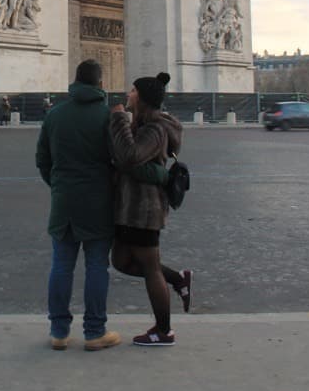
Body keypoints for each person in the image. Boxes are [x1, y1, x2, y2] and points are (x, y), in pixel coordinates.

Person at [36, 59, 169, 352]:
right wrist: (160, 173)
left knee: (61, 266)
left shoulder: (54, 115)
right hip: (98, 204)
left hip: (63, 203)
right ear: (100, 85)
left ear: (75, 81)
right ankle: (95, 332)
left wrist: (59, 186)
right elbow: (125, 162)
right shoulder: (108, 117)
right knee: (97, 266)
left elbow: (42, 161)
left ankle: (58, 332)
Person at [109, 71, 192, 347]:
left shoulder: (155, 129)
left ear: (142, 98)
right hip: (129, 207)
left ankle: (164, 330)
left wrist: (119, 119)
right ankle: (178, 279)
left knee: (150, 267)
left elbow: (130, 156)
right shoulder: (144, 124)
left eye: (133, 90)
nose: (128, 93)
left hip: (144, 209)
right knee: (121, 260)